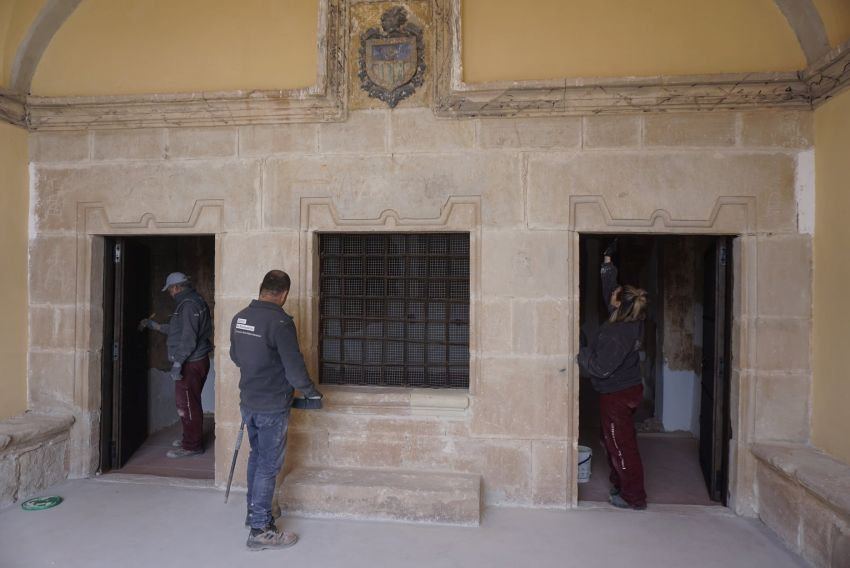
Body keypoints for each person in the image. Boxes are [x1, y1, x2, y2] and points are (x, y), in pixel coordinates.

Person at [229, 270, 323, 551]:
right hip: (271, 404)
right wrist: (310, 391)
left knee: (256, 458)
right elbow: (294, 367)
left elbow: (236, 356)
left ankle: (253, 513)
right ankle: (260, 529)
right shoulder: (280, 322)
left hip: (249, 401)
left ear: (262, 289)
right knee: (268, 465)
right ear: (284, 293)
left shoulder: (240, 317)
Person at [577, 242, 649, 510]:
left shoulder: (616, 334)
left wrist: (581, 353)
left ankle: (634, 497)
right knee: (614, 440)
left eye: (615, 294)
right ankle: (620, 484)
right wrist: (608, 262)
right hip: (628, 390)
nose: (611, 295)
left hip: (617, 395)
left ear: (618, 305)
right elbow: (611, 289)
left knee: (620, 446)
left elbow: (599, 368)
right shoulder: (630, 318)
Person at [140, 272, 212, 458]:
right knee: (191, 403)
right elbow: (179, 330)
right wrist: (155, 326)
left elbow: (188, 339)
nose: (171, 294)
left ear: (177, 287)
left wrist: (178, 364)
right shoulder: (193, 301)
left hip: (190, 363)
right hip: (197, 360)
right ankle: (190, 438)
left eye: (171, 290)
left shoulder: (187, 306)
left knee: (186, 405)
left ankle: (191, 446)